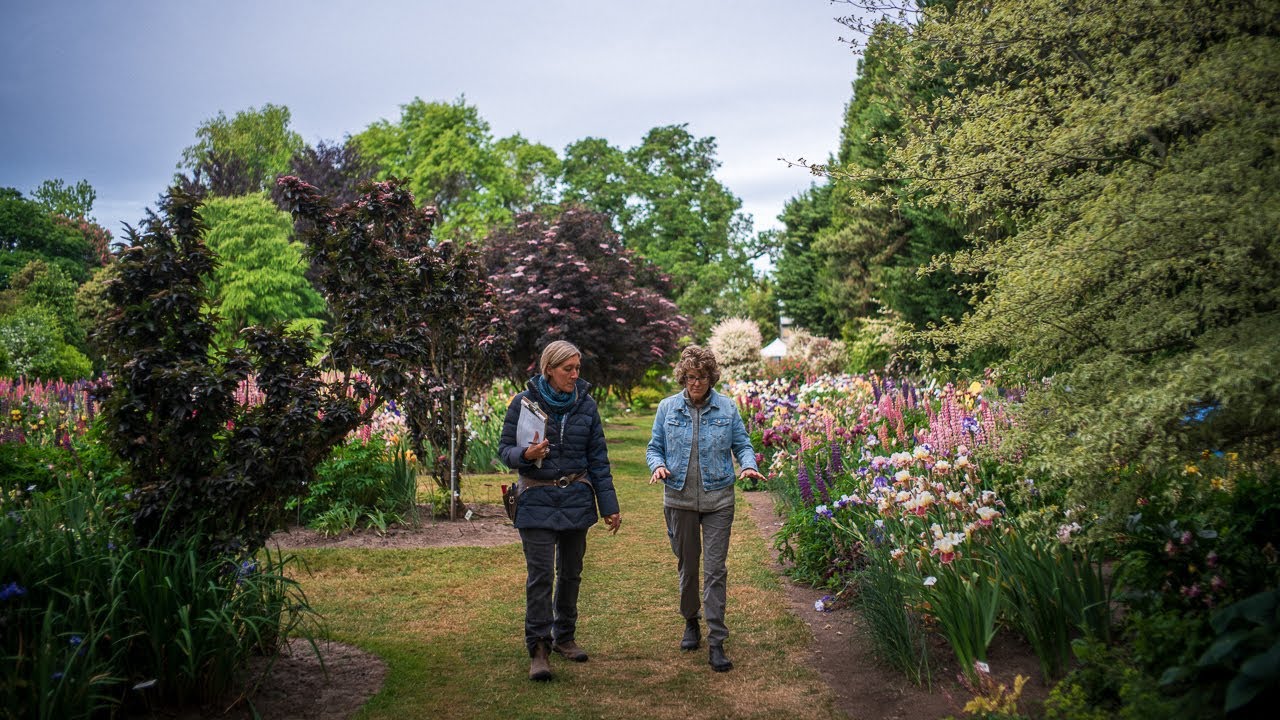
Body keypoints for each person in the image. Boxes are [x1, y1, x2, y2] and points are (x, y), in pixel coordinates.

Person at [498, 340, 622, 682]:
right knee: (541, 577)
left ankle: (565, 636)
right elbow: (504, 450)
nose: (574, 374)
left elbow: (598, 460)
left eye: (577, 368)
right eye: (567, 369)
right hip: (535, 499)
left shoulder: (587, 405)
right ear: (549, 369)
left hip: (576, 500)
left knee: (570, 574)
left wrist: (609, 506)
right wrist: (525, 455)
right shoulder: (523, 403)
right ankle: (539, 647)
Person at [646, 345, 764, 672]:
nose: (695, 383)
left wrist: (749, 465)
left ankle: (716, 640)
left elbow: (742, 444)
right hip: (679, 499)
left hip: (718, 500)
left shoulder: (726, 407)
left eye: (701, 377)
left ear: (711, 378)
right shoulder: (668, 408)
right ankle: (690, 621)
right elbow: (654, 447)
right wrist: (657, 465)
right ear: (682, 377)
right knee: (688, 568)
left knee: (715, 570)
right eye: (689, 377)